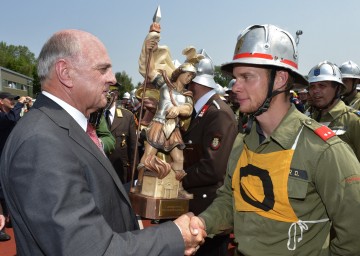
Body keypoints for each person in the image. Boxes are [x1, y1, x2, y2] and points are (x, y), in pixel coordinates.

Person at [0, 29, 206, 256]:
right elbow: (90, 250)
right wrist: (175, 236)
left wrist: (144, 185)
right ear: (65, 73)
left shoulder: (60, 127)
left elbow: (89, 192)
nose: (113, 79)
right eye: (102, 69)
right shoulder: (41, 142)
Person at [192, 24, 360, 255]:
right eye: (235, 77)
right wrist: (202, 223)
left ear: (280, 79)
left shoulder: (325, 151)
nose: (236, 87)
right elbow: (229, 200)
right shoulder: (242, 143)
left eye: (247, 77)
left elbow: (353, 236)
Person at [181, 49, 237, 256]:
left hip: (209, 211)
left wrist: (177, 179)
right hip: (196, 206)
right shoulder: (201, 112)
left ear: (192, 82)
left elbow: (212, 168)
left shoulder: (217, 114)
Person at [136, 62, 196, 198]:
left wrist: (178, 109)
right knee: (147, 157)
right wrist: (147, 47)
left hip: (173, 128)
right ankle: (140, 184)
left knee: (179, 159)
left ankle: (178, 188)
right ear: (180, 73)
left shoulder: (187, 94)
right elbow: (149, 70)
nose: (189, 78)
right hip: (158, 124)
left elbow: (189, 109)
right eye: (188, 75)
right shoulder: (164, 84)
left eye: (192, 76)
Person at [308, 60, 360, 160]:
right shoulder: (309, 120)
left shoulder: (354, 121)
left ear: (338, 88)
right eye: (312, 86)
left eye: (322, 85)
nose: (315, 91)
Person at [0, 92, 32, 242]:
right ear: (1, 101)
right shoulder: (3, 116)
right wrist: (19, 103)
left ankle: (10, 218)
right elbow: (10, 119)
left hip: (10, 159)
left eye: (14, 99)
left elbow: (22, 122)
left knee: (11, 189)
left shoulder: (11, 115)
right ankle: (1, 228)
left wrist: (29, 107)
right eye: (10, 99)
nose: (13, 101)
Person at [107, 85, 139, 185]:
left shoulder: (127, 116)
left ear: (115, 96)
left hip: (120, 171)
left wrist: (135, 175)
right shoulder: (93, 115)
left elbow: (133, 148)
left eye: (108, 94)